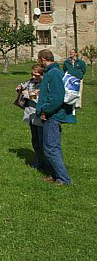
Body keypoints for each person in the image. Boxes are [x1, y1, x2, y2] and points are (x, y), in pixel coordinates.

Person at [36, 49, 75, 185]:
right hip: (49, 115)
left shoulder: (54, 73)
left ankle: (63, 178)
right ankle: (54, 174)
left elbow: (56, 97)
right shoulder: (50, 72)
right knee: (50, 147)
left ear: (42, 59)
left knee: (51, 148)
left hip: (52, 116)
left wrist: (45, 111)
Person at [17, 64, 46, 171]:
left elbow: (39, 99)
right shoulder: (31, 82)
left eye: (36, 75)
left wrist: (27, 95)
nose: (33, 77)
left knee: (41, 141)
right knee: (35, 140)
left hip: (39, 115)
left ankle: (42, 162)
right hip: (30, 114)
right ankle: (38, 160)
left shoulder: (44, 85)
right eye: (32, 74)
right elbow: (24, 86)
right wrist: (20, 87)